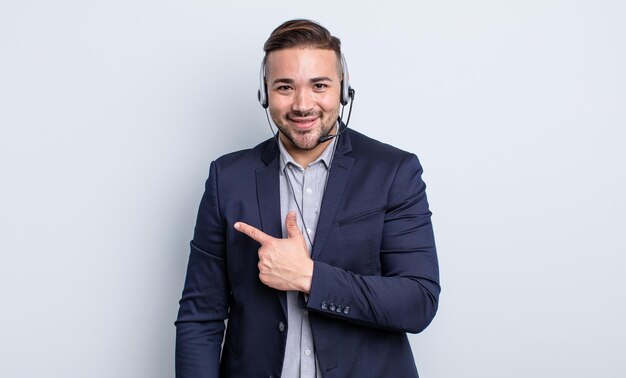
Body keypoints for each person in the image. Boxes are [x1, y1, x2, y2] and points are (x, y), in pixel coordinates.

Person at [175, 19, 440, 378]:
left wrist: (309, 277)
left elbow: (418, 302)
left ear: (343, 91)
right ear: (264, 93)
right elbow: (200, 316)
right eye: (285, 86)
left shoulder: (394, 172)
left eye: (319, 85)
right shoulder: (228, 178)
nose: (302, 105)